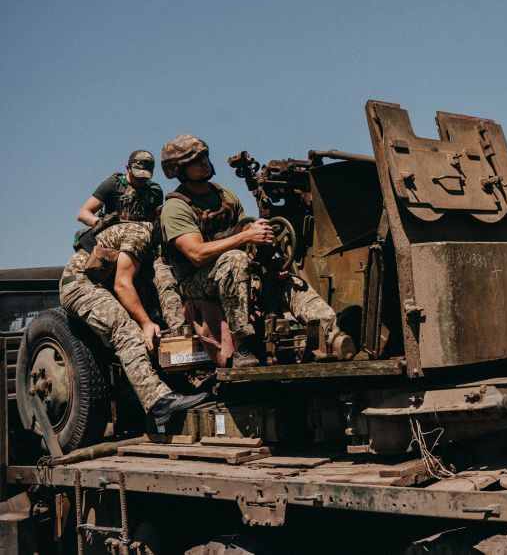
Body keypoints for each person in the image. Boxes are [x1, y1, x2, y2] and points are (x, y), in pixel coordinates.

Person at [158, 135, 346, 368]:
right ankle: (241, 345)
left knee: (287, 283)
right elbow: (196, 255)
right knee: (234, 259)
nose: (204, 162)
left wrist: (267, 258)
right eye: (195, 161)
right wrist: (245, 236)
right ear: (180, 170)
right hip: (195, 281)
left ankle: (332, 335)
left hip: (234, 272)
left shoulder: (225, 196)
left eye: (204, 156)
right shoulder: (176, 207)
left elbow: (247, 233)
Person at [59, 221, 209, 428]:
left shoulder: (158, 251)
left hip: (101, 286)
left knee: (154, 328)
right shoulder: (140, 233)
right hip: (79, 285)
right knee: (126, 330)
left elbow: (167, 289)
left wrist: (179, 332)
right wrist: (146, 323)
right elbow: (122, 284)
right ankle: (158, 403)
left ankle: (179, 386)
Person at [77, 150, 185, 332]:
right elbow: (83, 213)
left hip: (146, 248)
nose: (141, 180)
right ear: (127, 168)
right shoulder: (113, 185)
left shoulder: (155, 190)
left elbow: (159, 220)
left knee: (166, 280)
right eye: (137, 175)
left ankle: (179, 329)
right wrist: (100, 223)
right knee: (121, 283)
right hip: (117, 247)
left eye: (145, 176)